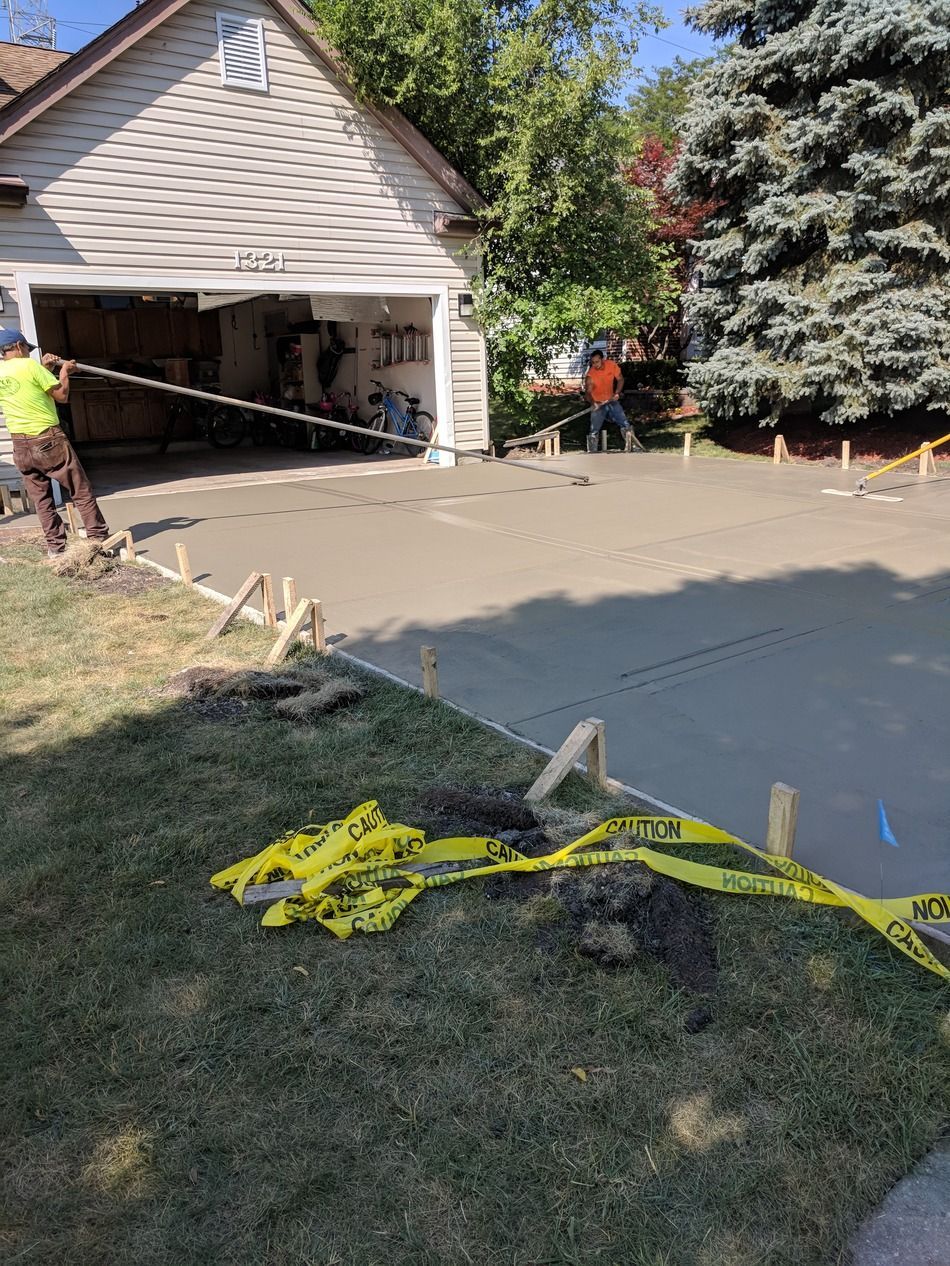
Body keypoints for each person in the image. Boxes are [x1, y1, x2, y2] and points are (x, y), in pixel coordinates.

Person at [0, 328, 110, 558]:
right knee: (80, 490)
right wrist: (64, 371)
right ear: (19, 346)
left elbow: (29, 390)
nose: (28, 353)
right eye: (26, 349)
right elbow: (61, 395)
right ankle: (98, 541)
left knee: (42, 500)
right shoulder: (29, 366)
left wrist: (46, 369)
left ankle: (56, 549)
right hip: (47, 439)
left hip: (20, 445)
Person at [583, 349, 632, 453]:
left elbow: (620, 379)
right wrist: (593, 403)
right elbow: (587, 393)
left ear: (602, 359)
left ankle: (633, 446)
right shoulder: (591, 375)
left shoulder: (611, 365)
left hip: (611, 400)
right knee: (594, 429)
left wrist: (617, 393)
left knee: (624, 422)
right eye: (593, 362)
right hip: (598, 403)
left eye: (597, 361)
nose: (595, 364)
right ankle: (592, 451)